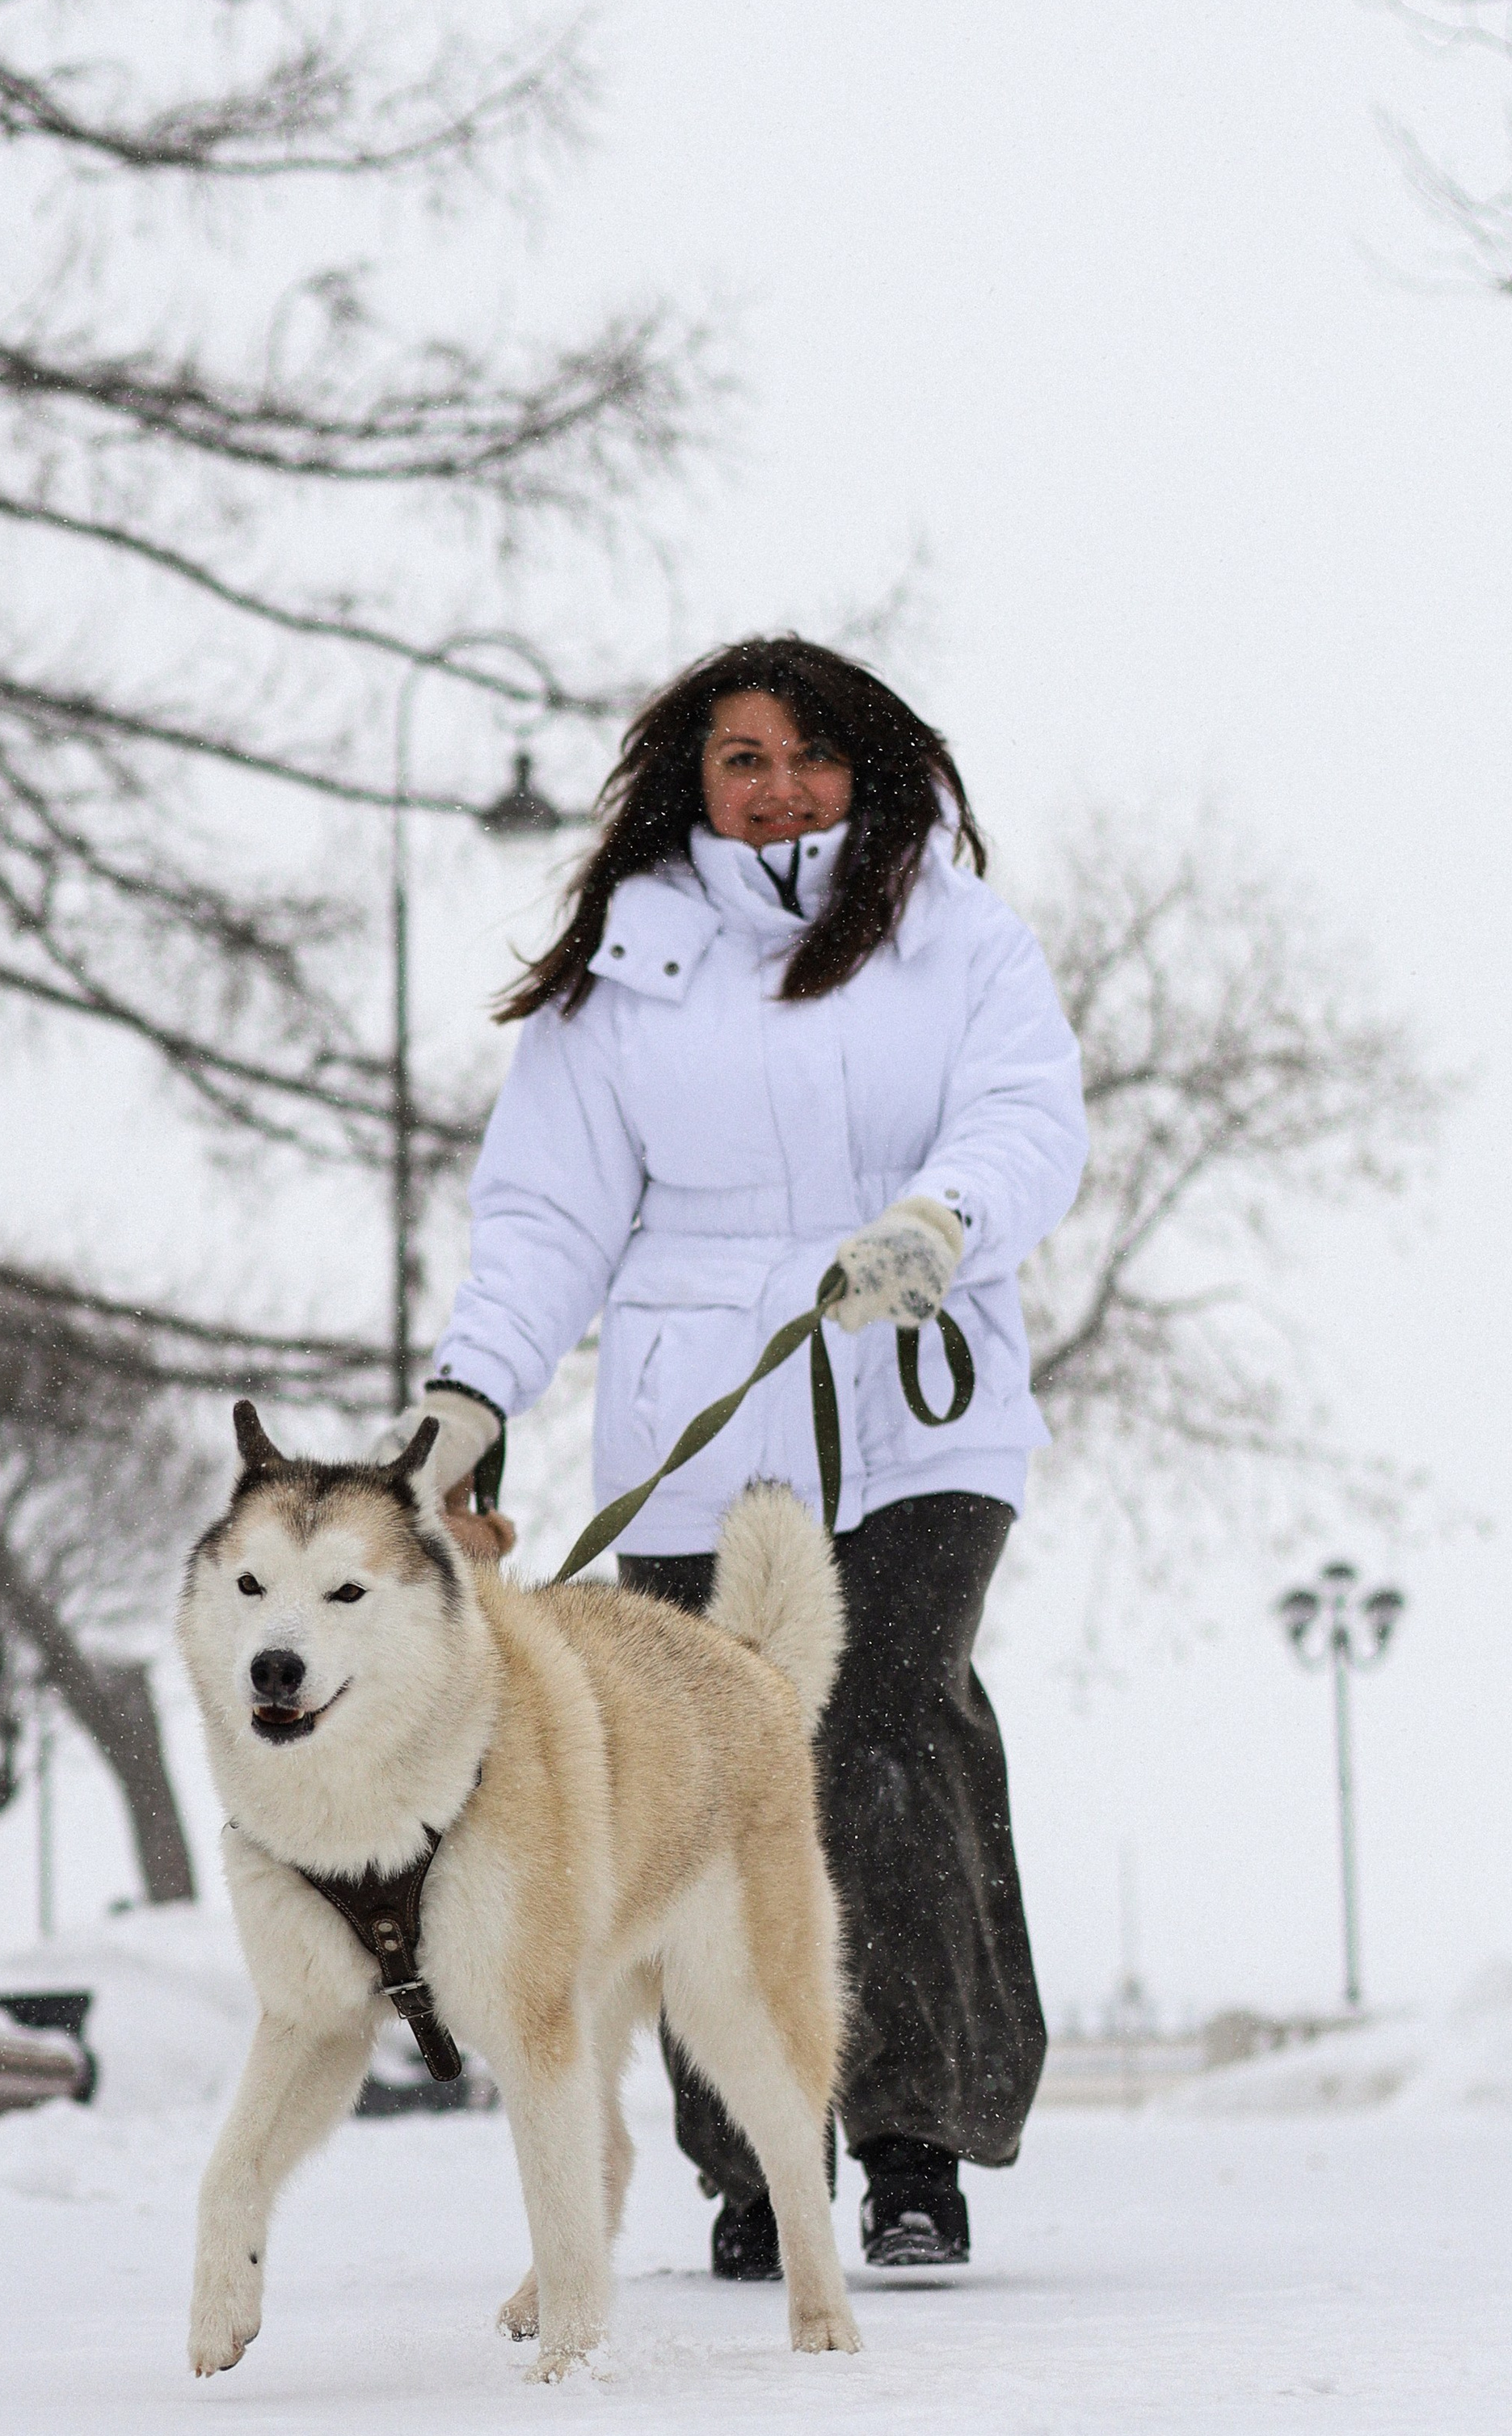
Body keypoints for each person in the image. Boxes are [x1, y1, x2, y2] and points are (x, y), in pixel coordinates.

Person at [390, 637, 1088, 2274]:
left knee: (882, 1721)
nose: (776, 788)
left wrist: (941, 1220)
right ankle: (751, 2164)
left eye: (805, 755)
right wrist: (469, 1396)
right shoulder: (623, 969)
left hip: (917, 1405)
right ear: (691, 785)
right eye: (740, 760)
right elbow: (546, 1218)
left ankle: (911, 2146)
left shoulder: (956, 940)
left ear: (866, 765)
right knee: (705, 1782)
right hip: (696, 1420)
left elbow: (1027, 1123)